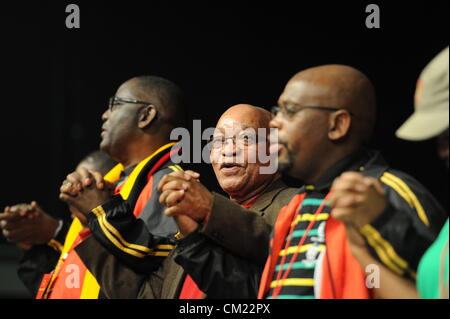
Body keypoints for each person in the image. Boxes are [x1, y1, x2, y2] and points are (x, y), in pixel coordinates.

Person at [173, 64, 447, 299]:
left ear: (337, 125)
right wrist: (192, 241)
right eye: (277, 111)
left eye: (290, 111)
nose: (276, 124)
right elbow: (256, 293)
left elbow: (436, 285)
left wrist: (386, 222)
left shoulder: (390, 192)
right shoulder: (302, 205)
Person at [73, 104, 297, 298]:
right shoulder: (193, 221)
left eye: (246, 139)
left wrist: (208, 208)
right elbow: (147, 295)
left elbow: (273, 248)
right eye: (218, 141)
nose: (228, 151)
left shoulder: (296, 203)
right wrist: (91, 221)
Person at [36, 75, 187, 299]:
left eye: (115, 105)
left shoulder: (169, 185)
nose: (105, 114)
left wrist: (101, 213)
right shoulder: (114, 183)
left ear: (146, 115)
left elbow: (153, 277)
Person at [330, 47, 449, 299]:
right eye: (440, 138)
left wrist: (387, 220)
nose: (443, 151)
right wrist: (360, 248)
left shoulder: (394, 187)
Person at [0, 150, 116, 296]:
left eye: (85, 184)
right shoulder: (71, 237)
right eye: (71, 185)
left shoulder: (125, 243)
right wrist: (36, 243)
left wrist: (54, 231)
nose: (70, 194)